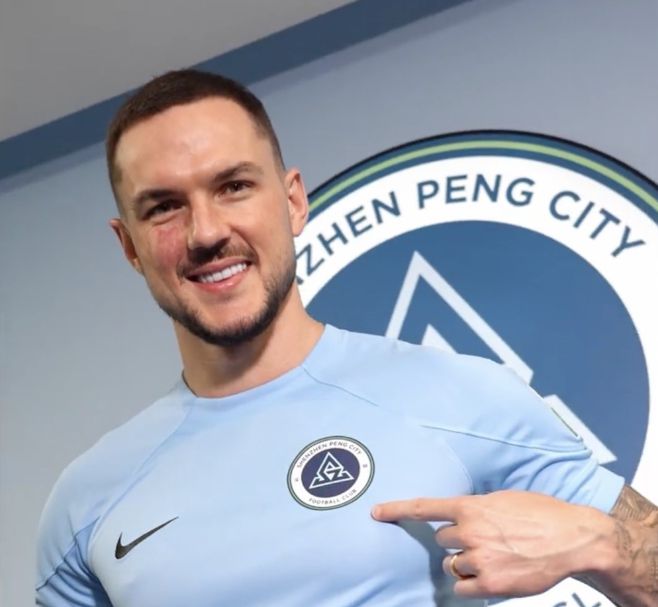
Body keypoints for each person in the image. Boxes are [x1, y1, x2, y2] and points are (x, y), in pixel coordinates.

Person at [36, 69, 658, 607]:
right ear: (130, 246)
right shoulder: (86, 501)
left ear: (293, 202)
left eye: (234, 187)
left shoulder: (464, 396)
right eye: (164, 207)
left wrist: (599, 541)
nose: (205, 232)